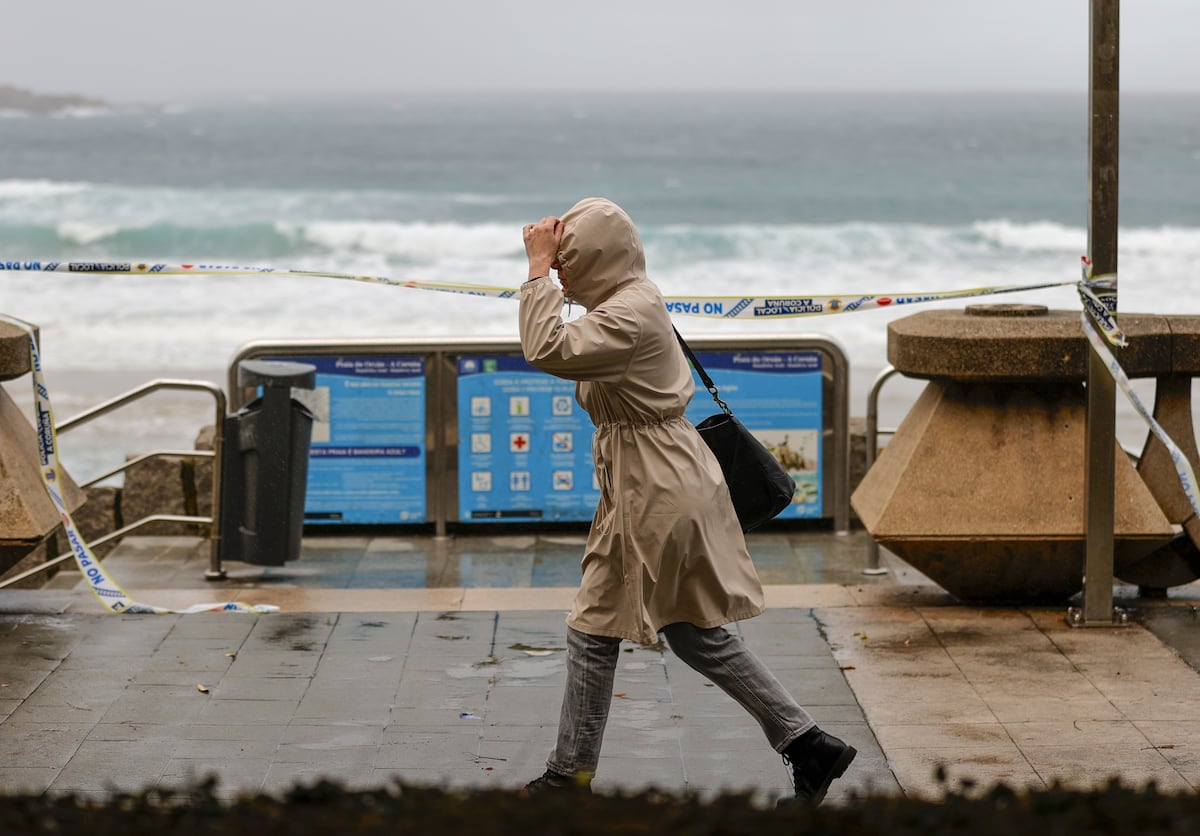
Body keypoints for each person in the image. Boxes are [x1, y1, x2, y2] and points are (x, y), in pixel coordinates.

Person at [516, 198, 856, 805]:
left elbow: (545, 349)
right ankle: (807, 743)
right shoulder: (625, 301)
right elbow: (564, 340)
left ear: (598, 260)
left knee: (650, 627)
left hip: (660, 487)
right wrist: (549, 273)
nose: (562, 273)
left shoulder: (630, 313)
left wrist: (537, 269)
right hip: (642, 482)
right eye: (558, 262)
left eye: (569, 260)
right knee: (648, 628)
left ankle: (569, 777)